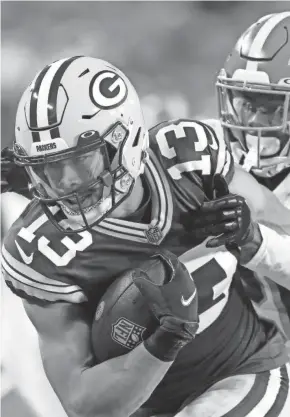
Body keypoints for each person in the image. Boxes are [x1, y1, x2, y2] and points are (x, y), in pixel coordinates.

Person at [1, 56, 290, 417]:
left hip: (241, 370)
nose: (68, 185)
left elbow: (283, 225)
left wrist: (251, 236)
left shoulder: (189, 159)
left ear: (128, 139)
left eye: (81, 161)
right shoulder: (38, 250)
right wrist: (164, 341)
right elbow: (83, 405)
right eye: (50, 169)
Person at [212, 10, 290, 343]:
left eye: (272, 106)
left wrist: (254, 239)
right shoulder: (212, 149)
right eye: (246, 103)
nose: (255, 122)